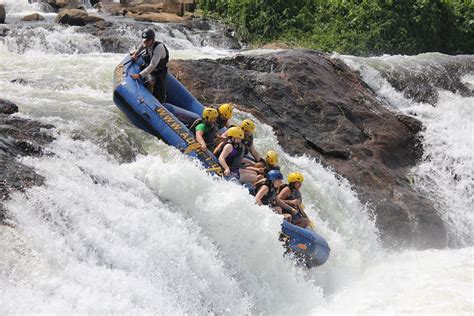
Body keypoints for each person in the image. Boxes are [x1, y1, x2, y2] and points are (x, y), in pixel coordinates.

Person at [130, 28, 169, 103]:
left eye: (147, 41)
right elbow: (142, 46)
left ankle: (158, 104)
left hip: (160, 71)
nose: (146, 43)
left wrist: (139, 75)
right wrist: (136, 54)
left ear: (152, 40)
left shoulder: (159, 48)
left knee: (160, 94)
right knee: (150, 81)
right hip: (151, 70)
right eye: (144, 40)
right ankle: (146, 99)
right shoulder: (146, 43)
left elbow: (152, 65)